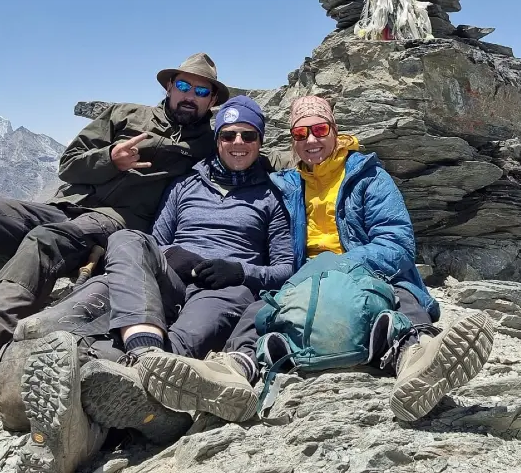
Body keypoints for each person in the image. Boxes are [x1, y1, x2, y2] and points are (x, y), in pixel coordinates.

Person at [0, 52, 229, 430]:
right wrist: (110, 158)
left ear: (212, 100)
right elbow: (68, 163)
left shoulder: (214, 141)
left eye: (201, 90)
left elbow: (254, 152)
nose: (190, 95)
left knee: (45, 240)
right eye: (183, 85)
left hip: (116, 222)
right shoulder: (124, 116)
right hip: (63, 206)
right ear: (169, 87)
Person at [133, 95, 495, 424]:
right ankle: (232, 372)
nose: (311, 139)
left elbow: (397, 244)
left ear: (335, 131)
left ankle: (418, 361)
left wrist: (341, 265)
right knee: (258, 310)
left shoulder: (368, 179)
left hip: (365, 270)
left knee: (402, 295)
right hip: (303, 281)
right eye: (301, 132)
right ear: (293, 140)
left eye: (320, 129)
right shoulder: (285, 185)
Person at [15, 96, 295, 473]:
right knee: (128, 239)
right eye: (228, 135)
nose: (238, 143)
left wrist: (241, 272)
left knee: (179, 347)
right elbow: (154, 241)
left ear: (260, 140)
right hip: (174, 279)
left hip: (225, 288)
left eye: (248, 135)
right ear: (217, 139)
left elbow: (284, 267)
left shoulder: (274, 196)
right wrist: (174, 256)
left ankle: (89, 377)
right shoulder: (185, 185)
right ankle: (143, 350)